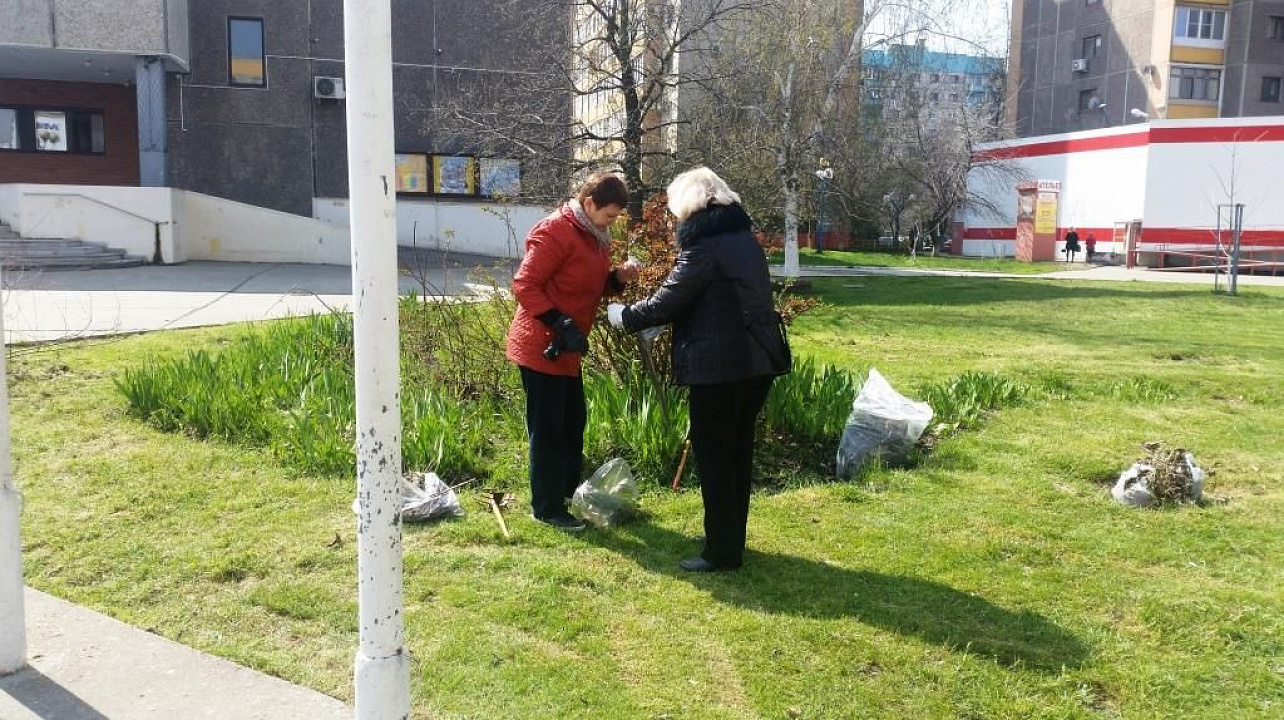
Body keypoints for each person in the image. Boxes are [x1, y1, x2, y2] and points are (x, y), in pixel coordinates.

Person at [608, 167, 791, 572]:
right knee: (737, 453)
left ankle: (721, 552)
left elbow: (669, 299)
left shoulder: (704, 247)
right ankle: (729, 539)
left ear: (690, 205)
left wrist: (625, 316)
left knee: (715, 457)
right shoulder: (744, 240)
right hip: (756, 362)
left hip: (719, 368)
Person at [506, 173, 639, 531]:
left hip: (568, 346)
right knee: (548, 429)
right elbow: (524, 284)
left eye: (616, 217)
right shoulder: (556, 230)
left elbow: (586, 283)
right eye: (609, 215)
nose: (612, 222)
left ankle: (565, 495)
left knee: (572, 422)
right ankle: (546, 508)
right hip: (541, 345)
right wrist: (559, 322)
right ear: (589, 202)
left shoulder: (594, 236)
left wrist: (617, 279)